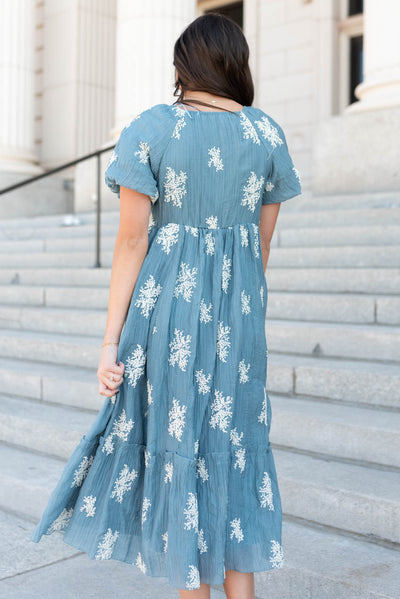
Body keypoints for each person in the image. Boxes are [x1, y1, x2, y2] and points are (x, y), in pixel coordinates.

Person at [30, 12, 302, 599]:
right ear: (237, 64)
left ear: (184, 65)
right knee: (231, 455)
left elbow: (130, 241)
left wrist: (110, 341)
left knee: (180, 455)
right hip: (241, 326)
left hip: (167, 319)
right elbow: (260, 248)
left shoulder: (153, 128)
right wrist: (236, 315)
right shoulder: (267, 135)